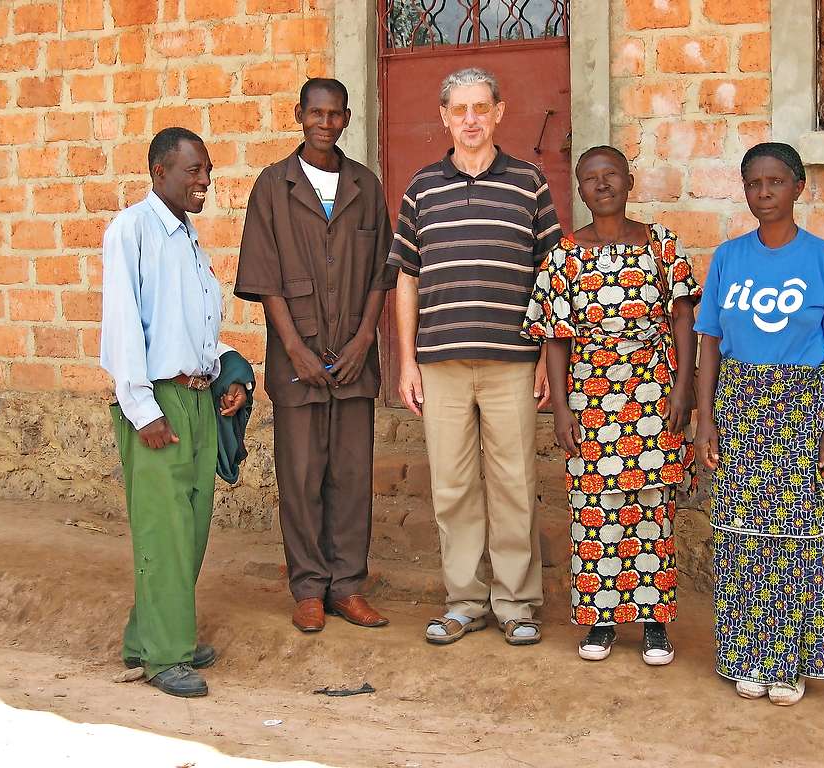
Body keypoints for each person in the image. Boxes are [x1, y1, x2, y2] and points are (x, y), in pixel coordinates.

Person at [388, 67, 562, 646]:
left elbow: (552, 276)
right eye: (458, 109)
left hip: (512, 358)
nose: (469, 119)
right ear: (443, 117)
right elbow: (406, 278)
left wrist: (543, 356)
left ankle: (515, 601)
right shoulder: (421, 189)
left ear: (498, 112)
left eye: (480, 108)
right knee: (454, 486)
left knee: (513, 481)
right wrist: (408, 362)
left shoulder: (530, 184)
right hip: (440, 362)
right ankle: (465, 599)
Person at [695, 142, 824, 706]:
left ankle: (790, 662)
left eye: (775, 182)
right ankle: (746, 657)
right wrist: (705, 419)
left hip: (801, 409)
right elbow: (709, 345)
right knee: (742, 540)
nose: (763, 193)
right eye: (753, 184)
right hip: (740, 406)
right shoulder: (728, 257)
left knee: (795, 542)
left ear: (798, 186)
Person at [522, 146, 700, 664]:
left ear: (628, 181)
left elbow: (684, 320)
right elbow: (554, 337)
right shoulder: (564, 257)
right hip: (592, 399)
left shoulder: (663, 244)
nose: (602, 186)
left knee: (652, 509)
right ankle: (601, 622)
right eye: (590, 179)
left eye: (611, 176)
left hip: (654, 393)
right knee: (596, 510)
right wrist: (559, 409)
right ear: (578, 189)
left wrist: (683, 390)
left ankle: (653, 625)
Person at [234, 78, 396, 633]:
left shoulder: (365, 185)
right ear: (299, 114)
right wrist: (294, 348)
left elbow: (381, 272)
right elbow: (264, 276)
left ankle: (347, 585)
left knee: (351, 475)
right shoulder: (273, 187)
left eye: (336, 115)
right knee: (301, 476)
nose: (326, 123)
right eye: (316, 113)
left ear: (348, 118)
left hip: (353, 356)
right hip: (296, 357)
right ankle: (307, 587)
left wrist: (364, 339)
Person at [101, 127, 248, 698]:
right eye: (193, 171)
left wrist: (225, 374)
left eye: (206, 170)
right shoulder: (131, 232)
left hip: (196, 398)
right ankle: (164, 657)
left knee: (190, 527)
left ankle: (155, 634)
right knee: (162, 529)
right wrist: (142, 407)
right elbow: (122, 329)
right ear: (159, 172)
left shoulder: (188, 238)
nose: (204, 180)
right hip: (157, 401)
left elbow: (196, 328)